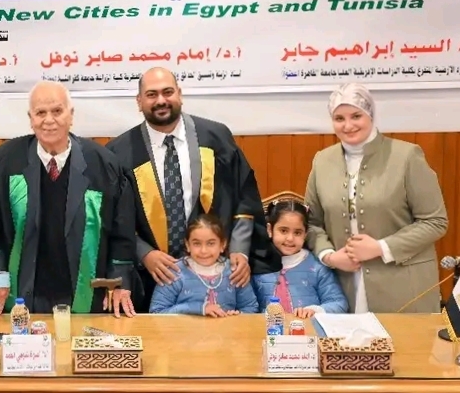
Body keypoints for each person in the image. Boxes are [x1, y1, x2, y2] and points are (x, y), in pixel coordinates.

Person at [106, 67, 280, 311]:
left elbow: (244, 195)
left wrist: (240, 250)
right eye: (152, 94)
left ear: (180, 93)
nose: (161, 100)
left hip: (216, 271)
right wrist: (144, 253)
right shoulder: (120, 153)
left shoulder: (216, 138)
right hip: (152, 276)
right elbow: (114, 217)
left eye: (168, 92)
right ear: (139, 101)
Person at [0, 81, 136, 317]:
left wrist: (119, 280)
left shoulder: (103, 164)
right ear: (31, 119)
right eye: (40, 113)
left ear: (71, 115)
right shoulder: (6, 160)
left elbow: (121, 227)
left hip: (85, 289)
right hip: (25, 287)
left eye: (57, 111)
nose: (49, 120)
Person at [305, 83, 448, 313]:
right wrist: (329, 256)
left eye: (356, 116)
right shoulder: (322, 161)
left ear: (370, 114)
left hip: (404, 288)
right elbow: (312, 222)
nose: (348, 125)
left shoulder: (406, 156)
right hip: (344, 289)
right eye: (339, 118)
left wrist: (381, 247)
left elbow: (435, 221)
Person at [251, 199, 347, 317]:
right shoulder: (257, 264)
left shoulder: (317, 267)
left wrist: (315, 311)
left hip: (308, 328)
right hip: (266, 328)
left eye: (297, 233)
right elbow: (247, 305)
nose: (290, 238)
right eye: (283, 231)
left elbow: (339, 303)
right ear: (270, 230)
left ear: (305, 234)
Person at [149, 214, 259, 316]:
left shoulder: (234, 271)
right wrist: (199, 309)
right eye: (197, 243)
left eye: (211, 243)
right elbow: (156, 312)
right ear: (188, 245)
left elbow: (251, 308)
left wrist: (237, 317)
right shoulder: (174, 272)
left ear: (222, 244)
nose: (203, 251)